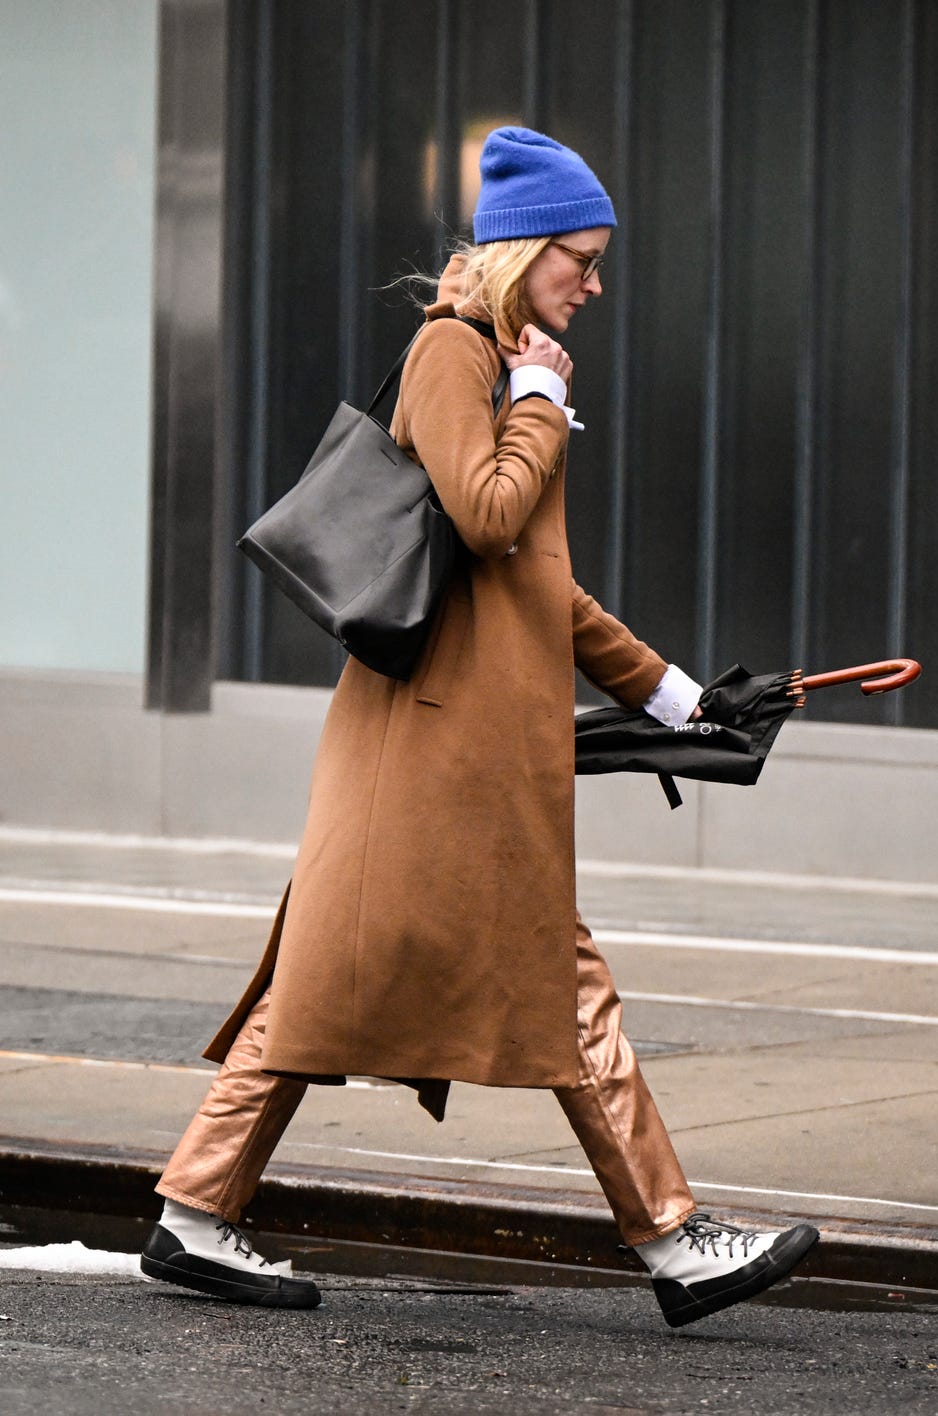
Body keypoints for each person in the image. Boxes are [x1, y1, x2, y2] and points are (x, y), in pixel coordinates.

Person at [140, 127, 818, 1328]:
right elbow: (488, 514)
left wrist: (680, 698)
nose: (593, 285)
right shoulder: (452, 352)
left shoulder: (500, 362)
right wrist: (543, 404)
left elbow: (539, 591)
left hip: (451, 749)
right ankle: (673, 1242)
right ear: (524, 248)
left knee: (336, 978)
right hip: (433, 753)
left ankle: (196, 1211)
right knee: (539, 982)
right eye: (580, 259)